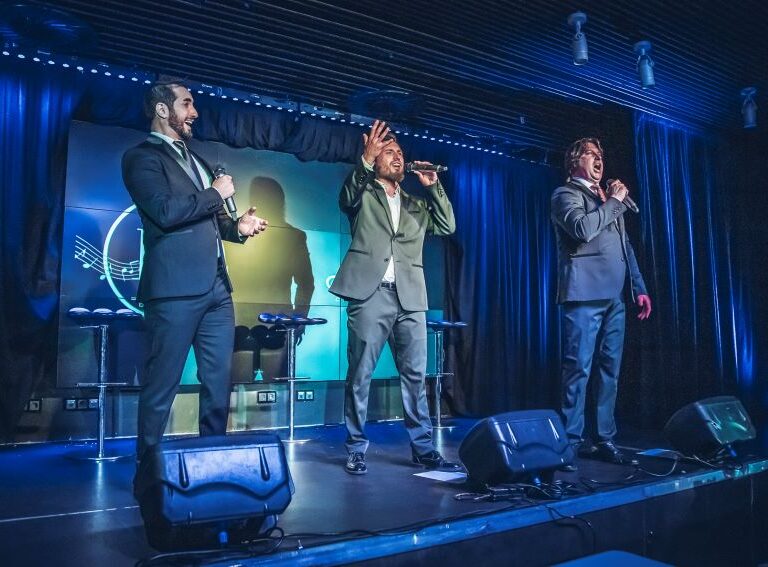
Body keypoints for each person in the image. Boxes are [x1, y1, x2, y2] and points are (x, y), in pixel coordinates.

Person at [122, 81, 268, 462]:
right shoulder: (141, 158)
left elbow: (215, 221)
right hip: (174, 291)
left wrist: (238, 228)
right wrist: (215, 193)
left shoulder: (198, 160)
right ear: (162, 110)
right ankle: (148, 472)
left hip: (217, 289)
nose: (195, 113)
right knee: (161, 387)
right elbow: (165, 212)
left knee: (218, 385)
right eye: (186, 104)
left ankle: (212, 461)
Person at [330, 120, 461, 475]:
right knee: (360, 374)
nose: (397, 157)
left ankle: (423, 448)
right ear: (376, 159)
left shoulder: (416, 204)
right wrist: (365, 160)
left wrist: (434, 187)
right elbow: (346, 197)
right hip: (370, 294)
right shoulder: (363, 193)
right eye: (389, 152)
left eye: (400, 153)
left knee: (415, 376)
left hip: (410, 298)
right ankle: (356, 447)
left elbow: (447, 226)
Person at [551, 137, 652, 471]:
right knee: (578, 369)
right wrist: (614, 203)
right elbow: (582, 229)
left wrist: (638, 286)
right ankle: (570, 441)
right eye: (591, 155)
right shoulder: (565, 194)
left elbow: (625, 246)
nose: (599, 160)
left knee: (610, 369)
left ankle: (604, 438)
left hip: (615, 297)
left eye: (601, 155)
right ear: (575, 162)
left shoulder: (607, 200)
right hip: (583, 295)